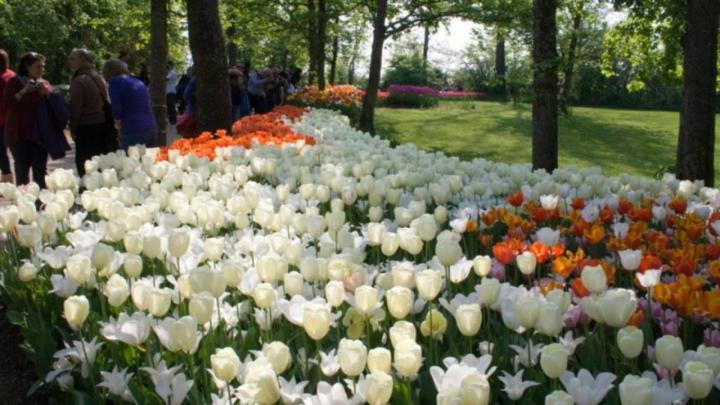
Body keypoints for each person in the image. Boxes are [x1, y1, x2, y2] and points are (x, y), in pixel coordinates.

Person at [2, 52, 52, 188]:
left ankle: (42, 203)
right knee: (22, 170)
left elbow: (54, 106)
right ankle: (24, 203)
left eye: (43, 67)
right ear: (27, 67)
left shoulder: (44, 83)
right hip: (19, 134)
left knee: (40, 171)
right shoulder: (14, 82)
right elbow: (8, 103)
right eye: (38, 67)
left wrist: (48, 93)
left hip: (39, 134)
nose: (41, 70)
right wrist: (24, 91)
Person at [69, 48, 117, 177]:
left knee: (86, 168)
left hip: (87, 129)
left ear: (83, 60)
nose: (70, 62)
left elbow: (75, 108)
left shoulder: (79, 81)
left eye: (73, 59)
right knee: (101, 166)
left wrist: (72, 128)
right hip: (103, 126)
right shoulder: (97, 77)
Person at [102, 59, 157, 149]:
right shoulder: (138, 81)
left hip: (132, 129)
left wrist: (118, 125)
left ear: (108, 72)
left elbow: (117, 110)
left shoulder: (114, 82)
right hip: (151, 127)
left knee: (130, 162)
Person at [0, 49, 16, 183]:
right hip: (12, 120)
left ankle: (7, 179)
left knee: (1, 151)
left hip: (3, 121)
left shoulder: (3, 78)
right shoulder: (12, 75)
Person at [166, 61, 177, 125]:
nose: (168, 67)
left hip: (171, 92)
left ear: (172, 66)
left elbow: (166, 79)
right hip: (169, 92)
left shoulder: (172, 72)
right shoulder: (169, 72)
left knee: (171, 106)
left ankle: (173, 121)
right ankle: (171, 120)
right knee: (169, 106)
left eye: (169, 65)